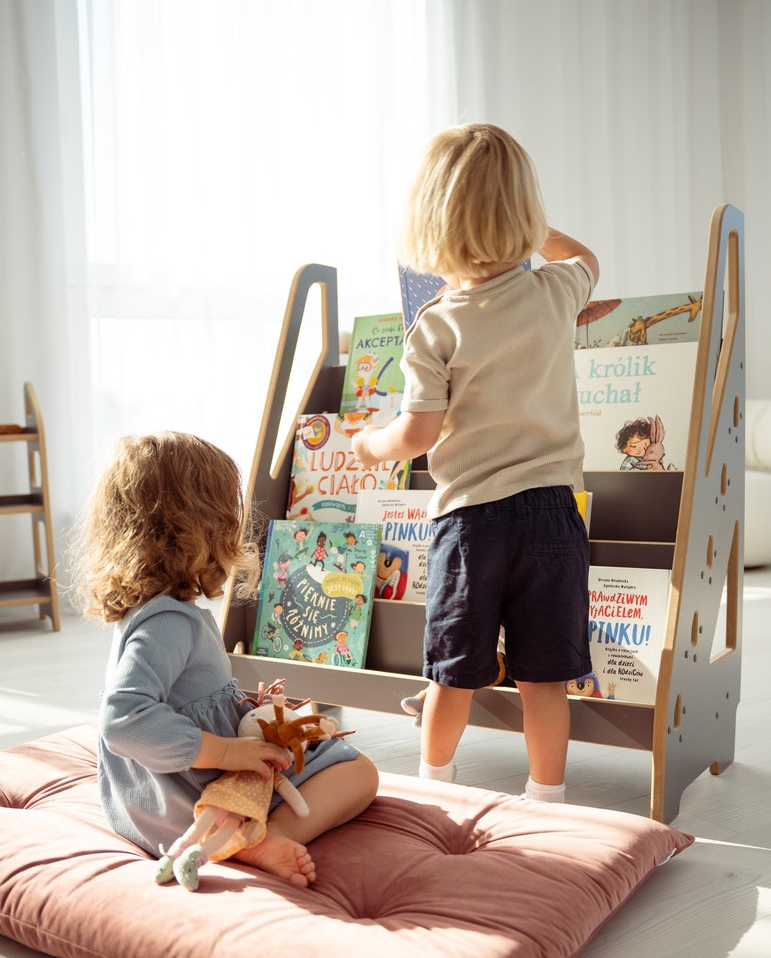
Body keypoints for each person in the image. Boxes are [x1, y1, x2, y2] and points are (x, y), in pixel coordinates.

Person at [351, 123, 599, 803]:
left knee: (452, 673)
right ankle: (546, 797)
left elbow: (418, 435)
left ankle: (435, 785)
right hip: (554, 515)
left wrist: (370, 444)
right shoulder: (554, 293)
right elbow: (585, 257)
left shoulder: (435, 324)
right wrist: (532, 229)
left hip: (471, 522)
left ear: (429, 226)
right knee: (544, 678)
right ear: (527, 215)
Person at [72, 431, 378, 885]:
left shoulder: (151, 610)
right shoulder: (170, 622)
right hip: (192, 796)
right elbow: (121, 718)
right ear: (202, 526)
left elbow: (184, 697)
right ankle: (259, 837)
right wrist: (227, 750)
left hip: (144, 808)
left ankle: (235, 833)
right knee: (359, 773)